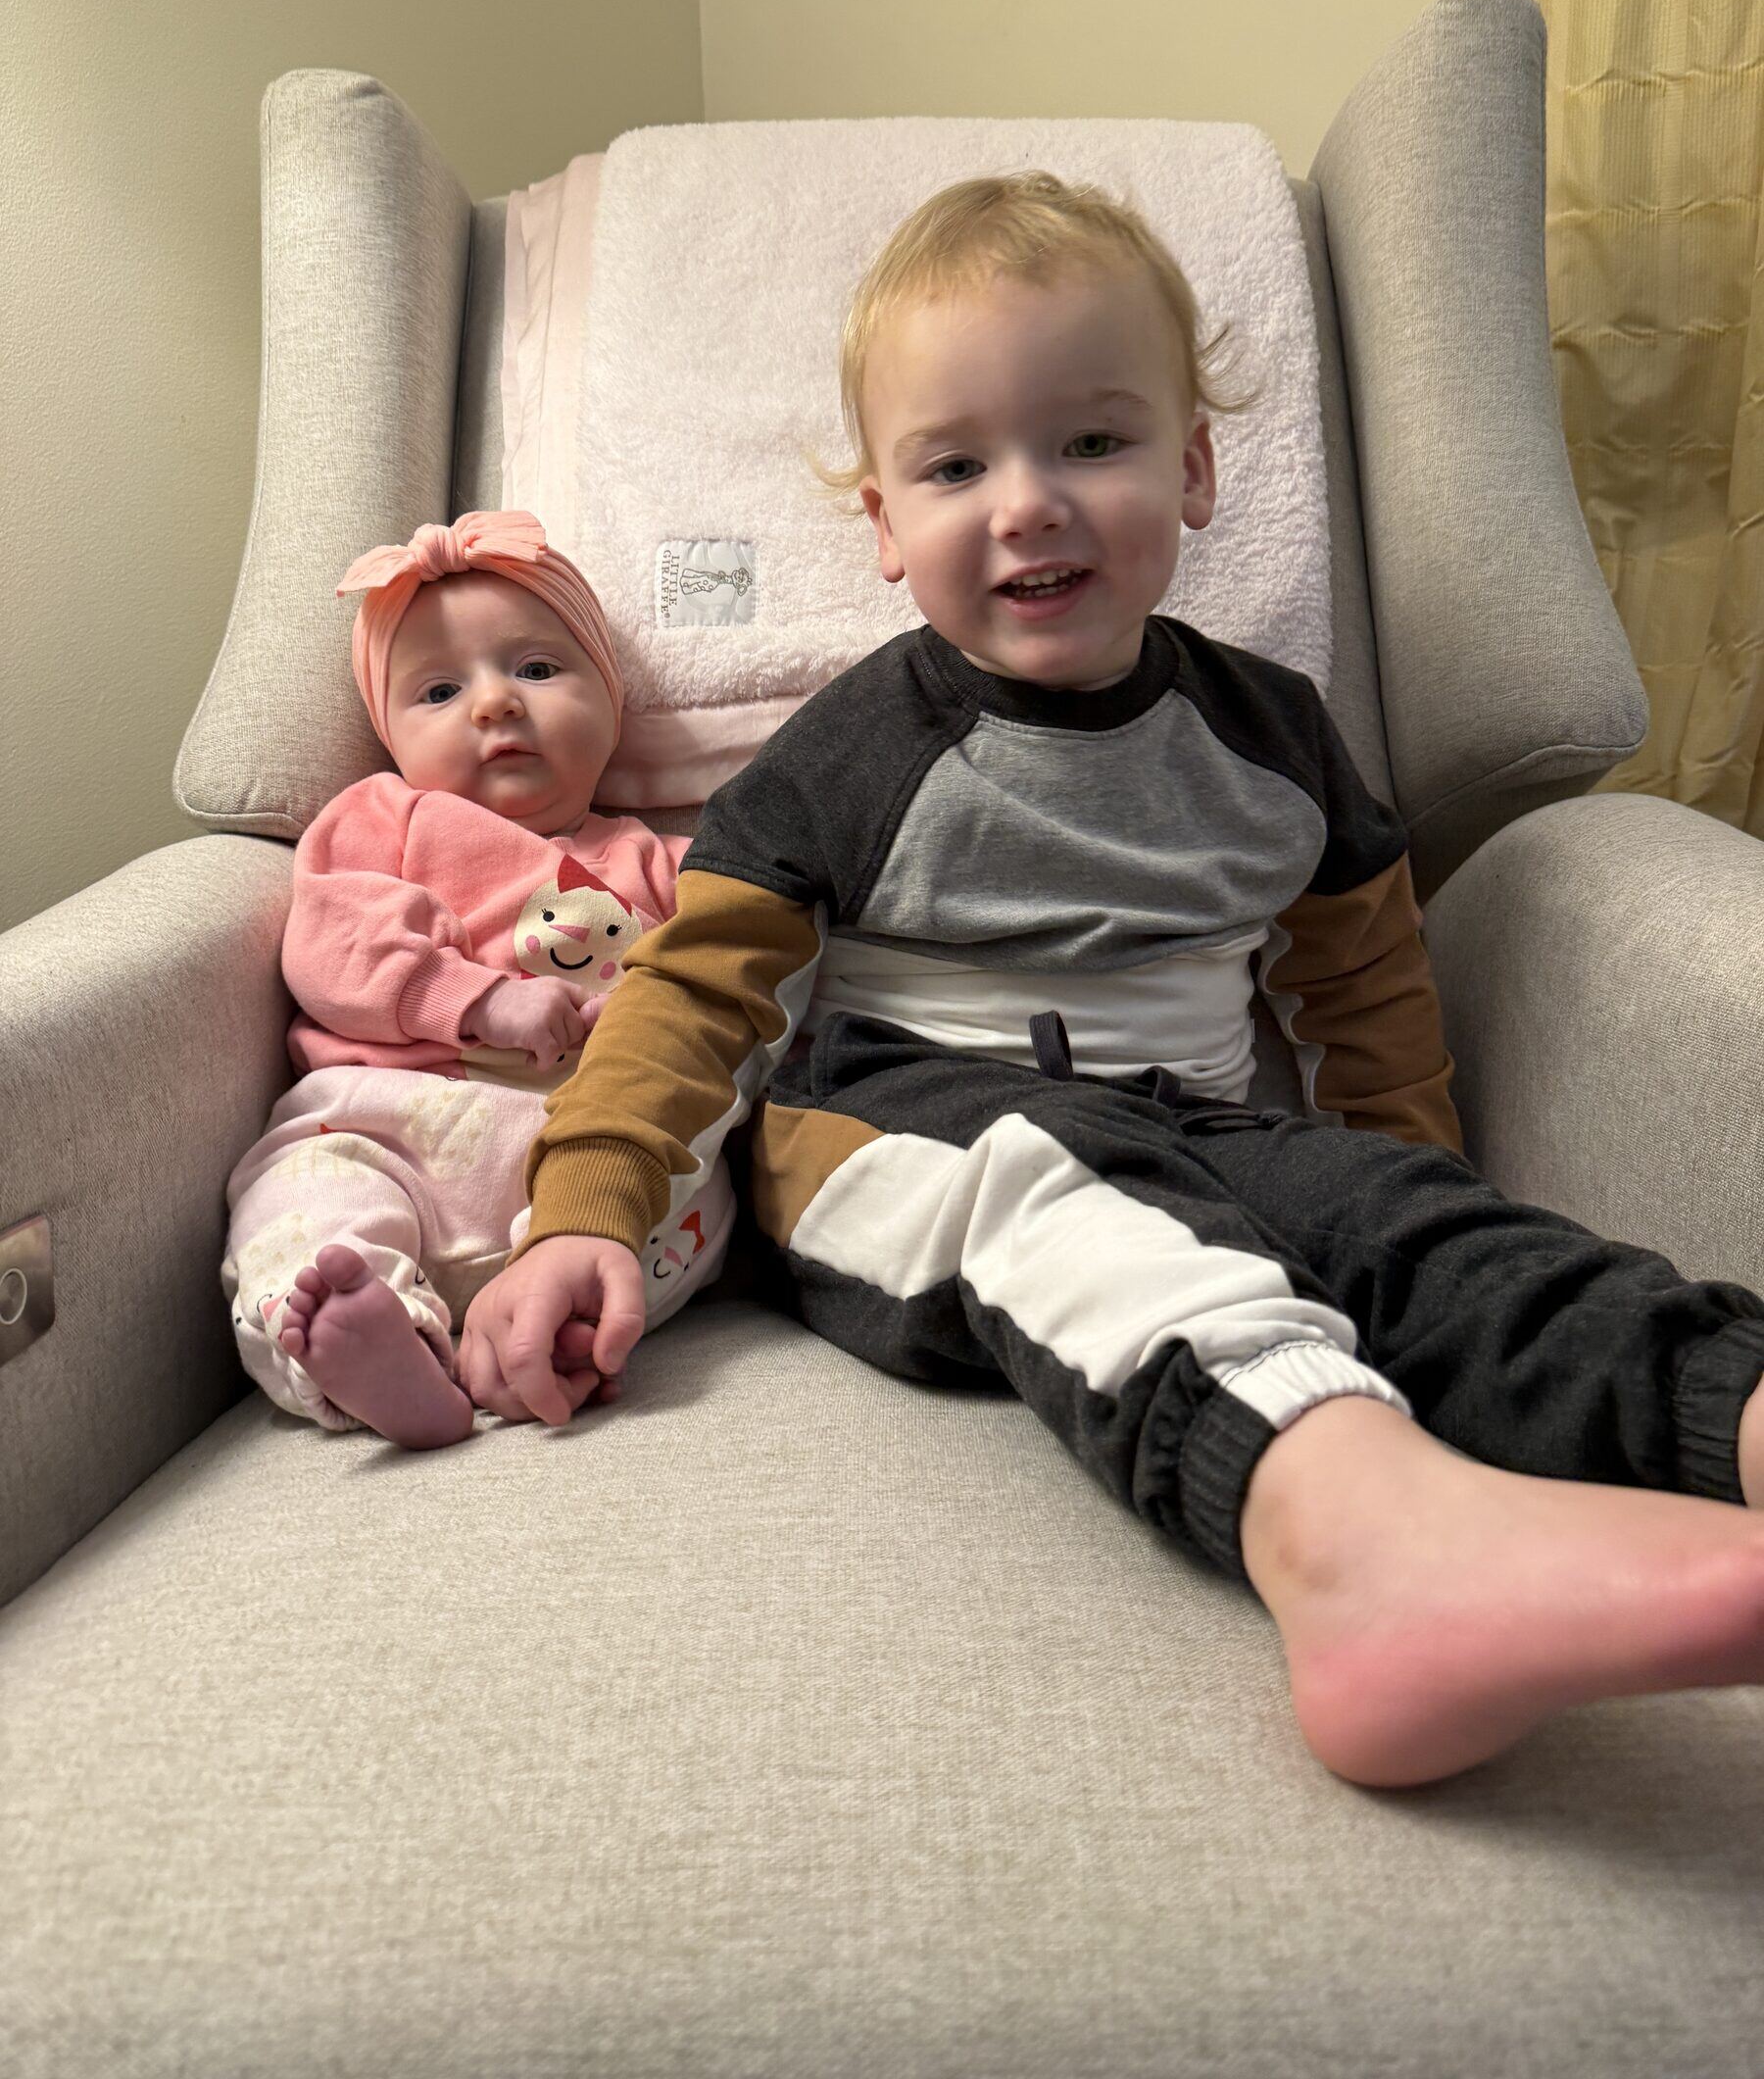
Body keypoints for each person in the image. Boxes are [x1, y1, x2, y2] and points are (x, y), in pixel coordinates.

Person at [458, 173, 1764, 1788]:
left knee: (1428, 1233)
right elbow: (691, 999)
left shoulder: (1273, 736)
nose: (1028, 504)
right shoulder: (852, 755)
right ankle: (1360, 1545)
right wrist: (586, 1209)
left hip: (1206, 1128)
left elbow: (1365, 1003)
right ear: (882, 525)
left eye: (1093, 442)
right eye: (956, 465)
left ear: (1195, 468)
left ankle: (1730, 1402)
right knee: (1061, 1193)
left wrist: (1398, 1187)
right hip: (897, 1128)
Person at [221, 509, 735, 1449]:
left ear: (611, 702)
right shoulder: (387, 817)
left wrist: (638, 1013)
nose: (496, 703)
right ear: (390, 735)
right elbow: (334, 942)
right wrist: (474, 998)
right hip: (394, 1119)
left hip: (581, 1150)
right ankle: (369, 1338)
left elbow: (722, 984)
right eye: (442, 690)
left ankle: (541, 1340)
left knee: (694, 1196)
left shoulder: (662, 862)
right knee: (305, 1194)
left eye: (537, 669)